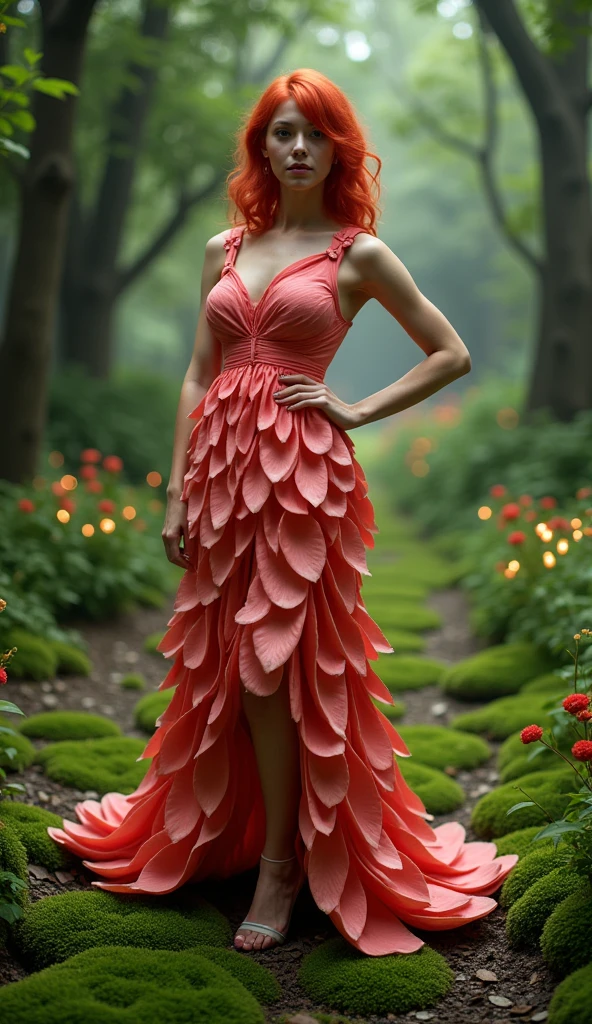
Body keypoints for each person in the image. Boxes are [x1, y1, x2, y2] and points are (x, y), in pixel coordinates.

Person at [47, 67, 517, 957]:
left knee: (275, 670)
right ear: (261, 146)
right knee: (227, 664)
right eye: (281, 132)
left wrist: (358, 409)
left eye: (314, 133)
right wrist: (180, 484)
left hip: (303, 481)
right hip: (222, 476)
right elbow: (198, 370)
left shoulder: (358, 253)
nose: (297, 147)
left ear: (338, 146)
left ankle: (283, 866)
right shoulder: (222, 248)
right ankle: (237, 833)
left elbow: (449, 353)